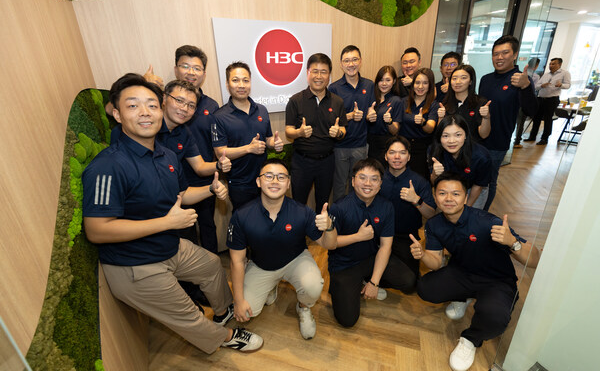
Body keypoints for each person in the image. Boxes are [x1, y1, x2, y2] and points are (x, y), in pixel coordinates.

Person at [82, 73, 263, 354]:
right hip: (135, 264)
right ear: (117, 114)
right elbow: (97, 230)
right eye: (133, 106)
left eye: (151, 105)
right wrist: (167, 222)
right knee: (188, 314)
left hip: (168, 245)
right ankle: (226, 337)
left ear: (160, 108)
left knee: (212, 265)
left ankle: (224, 311)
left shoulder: (165, 155)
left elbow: (181, 195)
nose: (145, 112)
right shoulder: (107, 166)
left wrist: (211, 189)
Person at [410, 172, 540, 371]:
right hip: (462, 273)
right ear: (435, 197)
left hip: (497, 281)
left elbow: (534, 259)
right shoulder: (435, 224)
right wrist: (422, 255)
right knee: (426, 287)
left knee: (496, 319)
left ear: (465, 197)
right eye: (442, 193)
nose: (448, 198)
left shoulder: (487, 222)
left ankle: (470, 339)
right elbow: (435, 263)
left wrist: (513, 242)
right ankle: (463, 297)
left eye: (455, 193)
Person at [227, 159, 337, 339]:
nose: (275, 181)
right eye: (268, 176)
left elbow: (330, 245)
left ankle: (303, 307)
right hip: (261, 265)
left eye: (281, 177)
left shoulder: (302, 212)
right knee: (245, 312)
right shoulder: (242, 215)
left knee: (313, 286)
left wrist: (330, 227)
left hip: (295, 259)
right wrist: (238, 301)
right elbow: (237, 261)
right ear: (258, 181)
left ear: (288, 183)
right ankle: (271, 286)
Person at [141, 45, 225, 254]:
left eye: (190, 105)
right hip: (153, 200)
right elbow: (114, 108)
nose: (184, 108)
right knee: (177, 236)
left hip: (192, 184)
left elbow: (201, 163)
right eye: (179, 101)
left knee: (203, 227)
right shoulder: (146, 123)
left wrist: (219, 167)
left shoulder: (192, 125)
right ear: (164, 99)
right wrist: (144, 86)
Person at [328, 158, 417, 327]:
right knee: (347, 320)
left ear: (380, 183)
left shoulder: (386, 206)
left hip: (370, 258)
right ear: (353, 181)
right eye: (362, 178)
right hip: (344, 265)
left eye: (374, 179)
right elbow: (330, 244)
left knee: (408, 280)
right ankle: (344, 286)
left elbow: (385, 246)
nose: (368, 184)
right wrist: (358, 236)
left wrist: (374, 282)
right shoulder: (339, 207)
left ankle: (367, 280)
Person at [212, 62, 284, 210]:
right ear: (227, 84)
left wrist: (274, 143)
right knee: (244, 219)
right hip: (240, 183)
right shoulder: (219, 116)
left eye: (245, 80)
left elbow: (267, 139)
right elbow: (220, 152)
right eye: (235, 80)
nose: (241, 85)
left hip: (265, 178)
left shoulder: (261, 110)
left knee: (268, 216)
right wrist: (248, 148)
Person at [478, 35, 537, 211]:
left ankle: (482, 215)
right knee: (474, 178)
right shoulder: (486, 79)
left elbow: (532, 111)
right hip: (478, 138)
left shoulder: (521, 80)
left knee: (488, 181)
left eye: (505, 53)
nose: (499, 57)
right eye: (495, 53)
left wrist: (526, 87)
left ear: (515, 55)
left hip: (497, 142)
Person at [285, 53, 347, 212]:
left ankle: (320, 228)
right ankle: (299, 229)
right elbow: (288, 131)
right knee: (298, 204)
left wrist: (338, 132)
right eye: (315, 71)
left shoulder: (337, 101)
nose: (319, 76)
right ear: (308, 73)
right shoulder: (295, 100)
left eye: (323, 72)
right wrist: (299, 132)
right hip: (302, 162)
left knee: (323, 203)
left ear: (329, 75)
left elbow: (343, 129)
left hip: (327, 162)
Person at [380, 136, 436, 279]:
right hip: (378, 234)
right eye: (392, 152)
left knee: (410, 281)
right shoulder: (377, 179)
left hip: (405, 237)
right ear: (386, 156)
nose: (397, 157)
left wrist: (416, 200)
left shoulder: (419, 182)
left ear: (409, 157)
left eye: (402, 153)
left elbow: (431, 214)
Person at [329, 45, 374, 202]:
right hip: (340, 146)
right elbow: (331, 119)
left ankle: (356, 215)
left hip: (361, 145)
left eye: (354, 59)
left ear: (360, 61)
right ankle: (338, 215)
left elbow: (372, 111)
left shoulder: (369, 85)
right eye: (346, 61)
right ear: (341, 64)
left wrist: (370, 115)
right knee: (340, 186)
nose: (351, 64)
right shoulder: (334, 88)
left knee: (359, 186)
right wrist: (349, 116)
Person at [429, 114, 492, 209]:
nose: (451, 141)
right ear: (439, 137)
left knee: (470, 215)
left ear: (466, 135)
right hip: (447, 188)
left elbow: (478, 185)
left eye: (458, 135)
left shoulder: (481, 156)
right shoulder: (434, 151)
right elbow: (434, 182)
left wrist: (466, 208)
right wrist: (435, 173)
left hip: (473, 188)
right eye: (445, 136)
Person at [398, 68, 439, 181]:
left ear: (430, 85)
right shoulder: (403, 101)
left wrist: (423, 122)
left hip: (422, 150)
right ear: (413, 84)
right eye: (417, 82)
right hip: (403, 147)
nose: (420, 86)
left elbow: (430, 128)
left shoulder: (433, 105)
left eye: (425, 83)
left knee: (418, 182)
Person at [438, 65, 491, 143]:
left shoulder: (480, 102)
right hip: (450, 146)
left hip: (472, 147)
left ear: (470, 81)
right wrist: (440, 118)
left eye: (463, 78)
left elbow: (484, 135)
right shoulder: (445, 103)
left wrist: (486, 117)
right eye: (454, 78)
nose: (458, 82)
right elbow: (440, 134)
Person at [526, 57, 572, 145]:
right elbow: (536, 86)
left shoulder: (564, 73)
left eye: (553, 64)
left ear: (559, 64)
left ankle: (544, 138)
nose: (551, 65)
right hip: (541, 98)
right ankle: (532, 136)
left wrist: (561, 85)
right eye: (550, 64)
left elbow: (568, 85)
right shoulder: (546, 74)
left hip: (552, 99)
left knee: (548, 118)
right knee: (536, 118)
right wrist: (541, 85)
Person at [366, 66, 402, 166]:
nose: (384, 84)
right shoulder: (372, 98)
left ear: (394, 81)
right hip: (368, 144)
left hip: (384, 145)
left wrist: (389, 121)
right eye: (381, 80)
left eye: (388, 80)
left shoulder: (396, 101)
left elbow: (395, 131)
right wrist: (368, 117)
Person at [514, 57, 540, 148]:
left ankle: (517, 140)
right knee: (520, 123)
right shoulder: (533, 76)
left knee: (519, 122)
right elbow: (534, 89)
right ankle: (517, 141)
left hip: (522, 101)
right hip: (523, 101)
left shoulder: (522, 74)